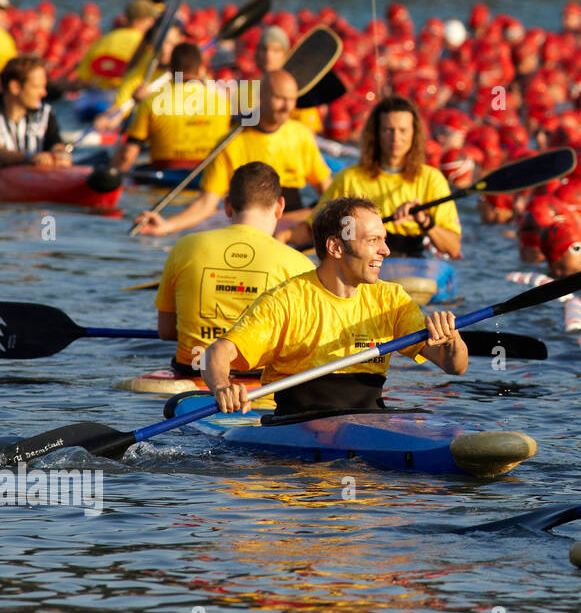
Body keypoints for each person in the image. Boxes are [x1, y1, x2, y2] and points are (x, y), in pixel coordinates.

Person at [201, 196, 468, 417]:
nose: (386, 250)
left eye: (384, 240)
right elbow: (216, 353)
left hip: (370, 421)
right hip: (298, 426)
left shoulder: (392, 300)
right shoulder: (286, 300)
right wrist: (223, 386)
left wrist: (451, 339)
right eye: (373, 240)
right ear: (335, 247)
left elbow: (455, 367)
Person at [156, 162, 314, 380]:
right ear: (280, 206)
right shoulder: (299, 264)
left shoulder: (185, 246)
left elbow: (166, 331)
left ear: (228, 205)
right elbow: (303, 345)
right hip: (260, 381)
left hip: (192, 372)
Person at [132, 69, 332, 236]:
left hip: (291, 221)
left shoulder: (301, 135)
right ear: (260, 97)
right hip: (249, 223)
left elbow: (329, 192)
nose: (287, 107)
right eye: (280, 98)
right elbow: (206, 203)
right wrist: (167, 226)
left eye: (291, 99)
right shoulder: (231, 142)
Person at [284, 95, 461, 258]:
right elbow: (313, 230)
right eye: (388, 130)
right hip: (362, 260)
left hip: (412, 262)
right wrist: (283, 236)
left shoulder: (432, 179)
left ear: (414, 134)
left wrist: (425, 221)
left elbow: (453, 249)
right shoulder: (349, 178)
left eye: (403, 130)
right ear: (375, 134)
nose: (396, 138)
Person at [110, 42, 231, 172]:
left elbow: (128, 155)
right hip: (205, 180)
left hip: (165, 181)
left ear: (170, 70)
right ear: (201, 70)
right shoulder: (222, 102)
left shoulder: (151, 103)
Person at [74, 0, 159, 92]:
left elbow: (82, 78)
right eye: (151, 20)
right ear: (141, 21)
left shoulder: (103, 39)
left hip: (94, 94)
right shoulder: (146, 45)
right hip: (125, 96)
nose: (152, 24)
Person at [0, 56, 71, 167]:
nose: (43, 93)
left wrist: (60, 154)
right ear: (15, 87)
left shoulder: (45, 113)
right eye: (37, 87)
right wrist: (29, 157)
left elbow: (55, 142)